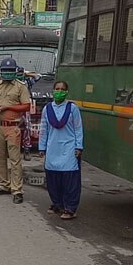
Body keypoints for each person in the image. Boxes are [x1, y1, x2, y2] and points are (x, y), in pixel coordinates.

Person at [0, 58, 31, 204]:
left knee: (15, 159)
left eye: (10, 71)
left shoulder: (20, 87)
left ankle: (17, 189)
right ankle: (3, 184)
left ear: (15, 71)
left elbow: (26, 106)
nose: (7, 73)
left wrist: (8, 107)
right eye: (5, 71)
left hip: (13, 126)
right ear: (0, 71)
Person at [39, 81, 84, 220]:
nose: (59, 91)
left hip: (69, 148)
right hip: (53, 148)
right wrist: (42, 147)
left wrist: (79, 146)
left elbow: (78, 128)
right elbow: (44, 129)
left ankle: (70, 208)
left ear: (66, 92)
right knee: (53, 178)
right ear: (53, 91)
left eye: (62, 89)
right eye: (57, 89)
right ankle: (57, 203)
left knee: (69, 179)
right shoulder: (47, 109)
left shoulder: (72, 109)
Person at [17, 66, 40, 161]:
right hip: (15, 107)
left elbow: (38, 76)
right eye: (18, 74)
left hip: (25, 107)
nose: (19, 75)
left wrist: (27, 74)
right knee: (13, 128)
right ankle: (13, 150)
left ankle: (26, 150)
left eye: (21, 73)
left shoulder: (27, 81)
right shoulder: (12, 82)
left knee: (27, 128)